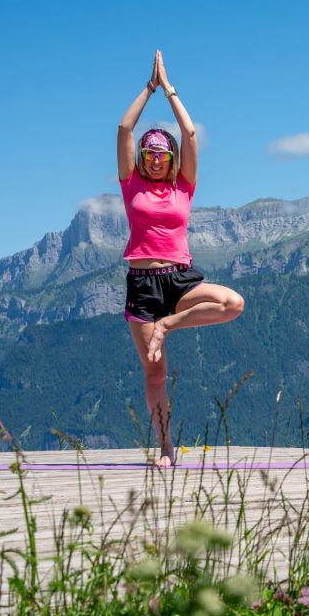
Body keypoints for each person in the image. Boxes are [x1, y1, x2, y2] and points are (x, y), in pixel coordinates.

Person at [117, 50, 244, 466]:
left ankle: (168, 325)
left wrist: (169, 90)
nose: (155, 159)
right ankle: (166, 449)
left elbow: (190, 134)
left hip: (181, 280)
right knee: (155, 373)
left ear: (171, 160)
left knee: (232, 304)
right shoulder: (131, 183)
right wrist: (147, 88)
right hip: (143, 285)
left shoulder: (183, 187)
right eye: (148, 153)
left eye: (161, 154)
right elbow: (123, 126)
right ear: (142, 157)